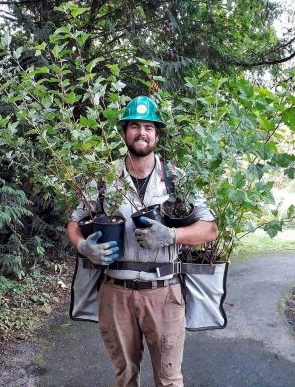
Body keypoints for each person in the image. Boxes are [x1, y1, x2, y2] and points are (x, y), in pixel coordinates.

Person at [67, 96, 218, 387]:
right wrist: (84, 247)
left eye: (148, 127)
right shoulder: (103, 179)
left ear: (157, 134)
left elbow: (210, 229)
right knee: (125, 377)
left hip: (164, 292)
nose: (142, 133)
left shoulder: (177, 179)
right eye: (134, 126)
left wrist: (172, 234)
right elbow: (73, 224)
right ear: (124, 133)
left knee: (169, 379)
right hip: (115, 293)